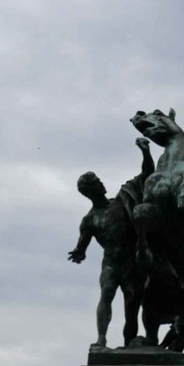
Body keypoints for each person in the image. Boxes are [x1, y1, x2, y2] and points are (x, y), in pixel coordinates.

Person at [68, 137, 153, 349]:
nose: (102, 184)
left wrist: (145, 151)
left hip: (131, 262)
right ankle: (101, 340)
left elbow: (147, 174)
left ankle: (127, 344)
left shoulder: (123, 199)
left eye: (99, 180)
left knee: (132, 306)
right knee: (106, 295)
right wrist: (79, 252)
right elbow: (82, 247)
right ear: (90, 191)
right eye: (97, 183)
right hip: (111, 263)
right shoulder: (90, 220)